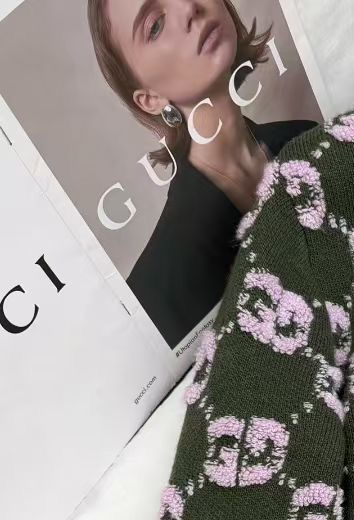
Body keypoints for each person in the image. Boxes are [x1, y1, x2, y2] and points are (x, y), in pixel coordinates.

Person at [87, 0, 317, 348]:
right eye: (155, 25)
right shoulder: (161, 286)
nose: (189, 7)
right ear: (150, 98)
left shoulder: (309, 138)